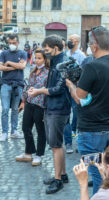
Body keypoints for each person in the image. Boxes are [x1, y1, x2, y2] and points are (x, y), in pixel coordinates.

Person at [65, 26, 109, 194]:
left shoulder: (92, 66)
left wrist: (70, 84)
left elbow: (79, 97)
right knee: (107, 173)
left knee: (96, 174)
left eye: (90, 45)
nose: (90, 47)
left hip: (91, 130)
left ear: (95, 45)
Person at [28, 34, 71, 194]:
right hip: (53, 107)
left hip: (58, 108)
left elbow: (58, 89)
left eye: (47, 50)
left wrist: (38, 91)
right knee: (57, 144)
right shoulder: (55, 61)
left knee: (55, 146)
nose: (45, 53)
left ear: (55, 48)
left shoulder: (63, 63)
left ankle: (58, 179)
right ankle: (63, 175)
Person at [16, 49, 49, 166]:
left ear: (45, 59)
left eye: (40, 58)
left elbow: (48, 90)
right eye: (36, 58)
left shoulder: (48, 72)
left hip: (40, 105)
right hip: (29, 102)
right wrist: (23, 101)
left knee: (41, 131)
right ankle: (28, 152)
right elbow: (27, 86)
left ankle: (39, 155)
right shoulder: (33, 70)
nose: (37, 60)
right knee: (25, 128)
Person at [0, 34, 27, 141]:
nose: (12, 45)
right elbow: (0, 67)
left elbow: (22, 66)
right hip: (6, 84)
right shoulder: (4, 53)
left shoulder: (23, 53)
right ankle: (4, 132)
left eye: (14, 43)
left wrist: (9, 63)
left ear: (18, 42)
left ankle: (14, 131)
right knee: (5, 109)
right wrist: (16, 66)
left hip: (19, 85)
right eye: (10, 43)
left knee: (15, 109)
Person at [64, 34, 86, 153]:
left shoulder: (81, 56)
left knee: (76, 112)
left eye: (71, 40)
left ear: (77, 42)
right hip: (65, 87)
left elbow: (83, 72)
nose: (69, 42)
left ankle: (74, 131)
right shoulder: (66, 54)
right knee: (66, 113)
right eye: (69, 40)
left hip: (76, 88)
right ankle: (68, 140)